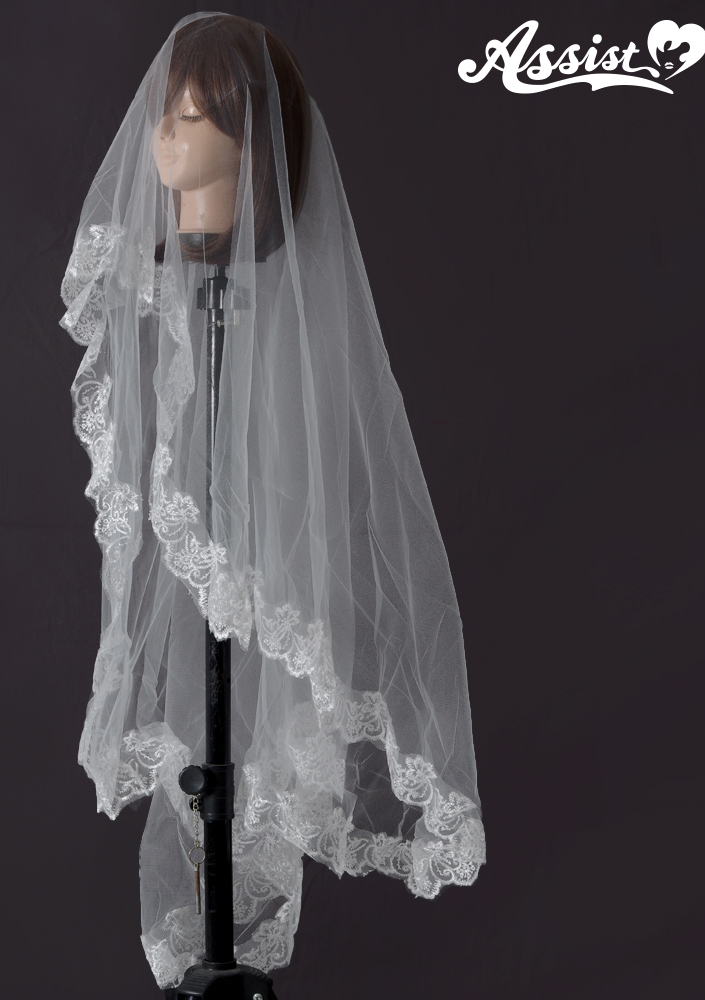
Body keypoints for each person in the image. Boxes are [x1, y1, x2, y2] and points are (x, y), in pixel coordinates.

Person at [60, 12, 485, 990]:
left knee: (244, 674)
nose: (166, 135)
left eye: (196, 114)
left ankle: (231, 945)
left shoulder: (279, 306)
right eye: (168, 111)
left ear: (250, 133)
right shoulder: (160, 271)